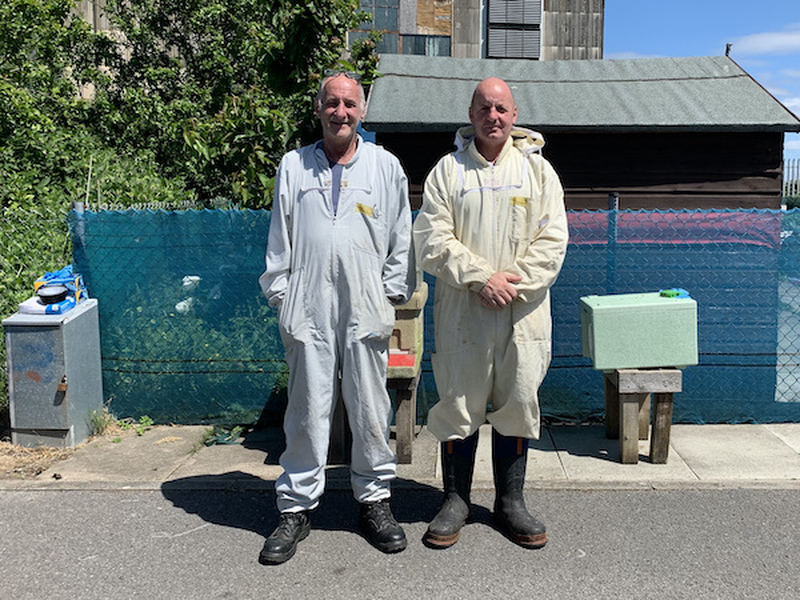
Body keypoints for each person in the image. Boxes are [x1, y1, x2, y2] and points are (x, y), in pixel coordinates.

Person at [258, 70, 416, 565]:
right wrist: (283, 296)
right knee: (307, 408)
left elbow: (401, 235)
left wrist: (388, 295)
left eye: (349, 103)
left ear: (362, 111)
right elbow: (280, 236)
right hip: (307, 304)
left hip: (365, 302)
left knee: (370, 406)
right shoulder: (294, 166)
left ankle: (374, 501)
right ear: (318, 108)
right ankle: (296, 507)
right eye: (332, 102)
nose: (340, 112)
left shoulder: (385, 166)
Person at [413, 77, 568, 550]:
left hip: (522, 314)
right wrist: (482, 278)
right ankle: (456, 500)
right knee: (458, 403)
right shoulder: (449, 171)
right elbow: (431, 239)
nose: (493, 116)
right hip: (465, 311)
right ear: (471, 114)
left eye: (501, 108)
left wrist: (509, 285)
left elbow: (553, 241)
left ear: (515, 115)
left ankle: (510, 501)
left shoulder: (539, 172)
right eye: (484, 108)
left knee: (517, 401)